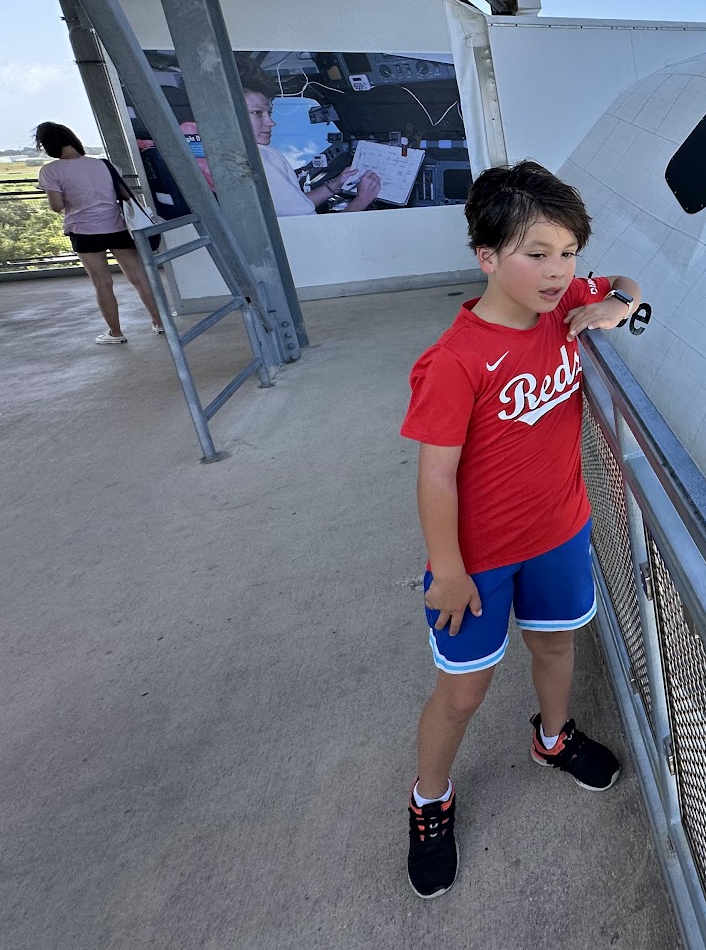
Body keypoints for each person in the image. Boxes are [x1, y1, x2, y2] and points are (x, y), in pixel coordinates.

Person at [398, 161, 644, 899]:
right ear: (487, 256)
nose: (557, 271)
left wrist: (615, 307)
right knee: (463, 693)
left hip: (561, 531)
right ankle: (429, 799)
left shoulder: (566, 300)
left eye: (567, 252)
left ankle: (552, 738)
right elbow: (435, 474)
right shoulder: (456, 360)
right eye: (536, 253)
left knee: (557, 645)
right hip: (476, 560)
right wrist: (447, 567)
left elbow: (627, 283)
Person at [34, 121, 165, 345]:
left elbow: (56, 206)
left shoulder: (51, 171)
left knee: (102, 282)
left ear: (47, 145)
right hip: (117, 226)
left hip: (84, 231)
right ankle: (159, 322)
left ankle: (115, 332)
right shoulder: (103, 164)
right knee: (139, 278)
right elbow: (124, 193)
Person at [239, 72, 381, 215]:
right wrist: (362, 200)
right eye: (257, 113)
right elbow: (315, 231)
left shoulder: (258, 153)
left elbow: (298, 206)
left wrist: (336, 185)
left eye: (269, 114)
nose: (271, 123)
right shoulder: (257, 161)